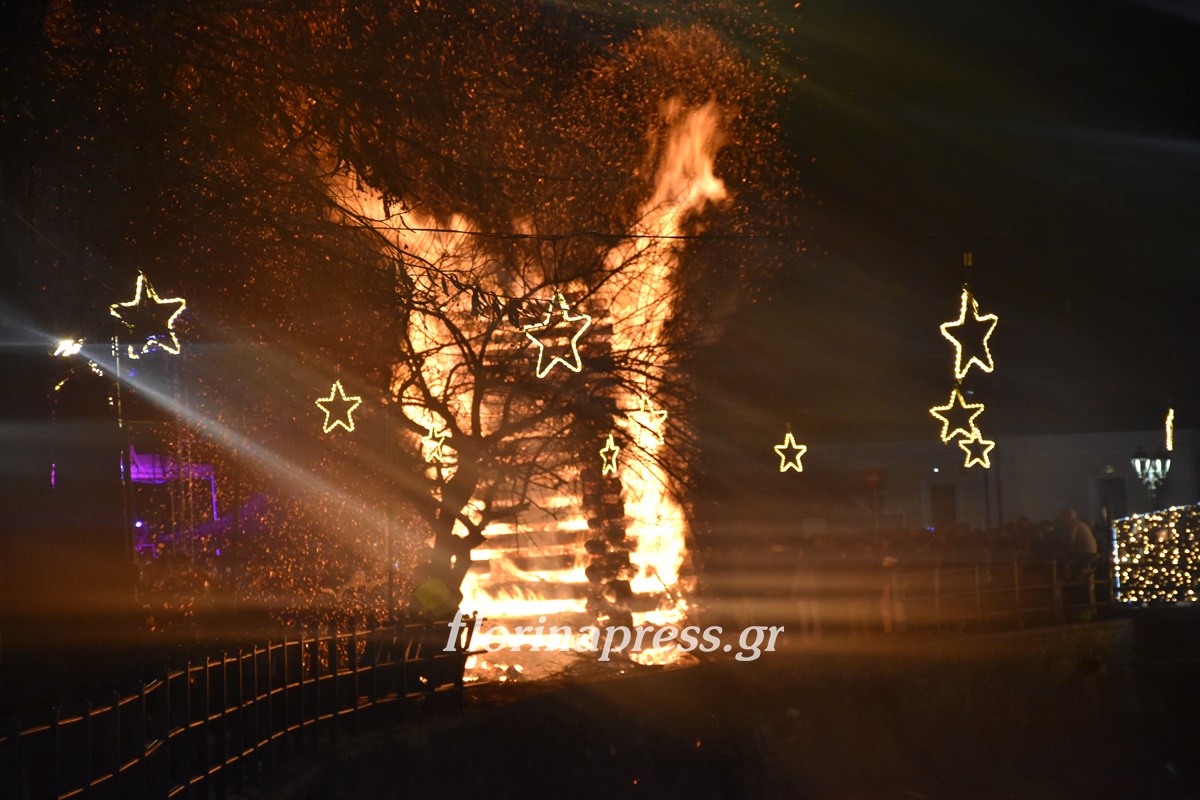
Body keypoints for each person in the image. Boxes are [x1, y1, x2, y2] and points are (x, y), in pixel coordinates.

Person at [1060, 508, 1098, 617]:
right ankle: (1090, 608)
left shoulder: (1073, 524)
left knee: (1075, 580)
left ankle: (1076, 607)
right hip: (1091, 555)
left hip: (1084, 555)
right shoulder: (1081, 524)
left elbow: (1071, 540)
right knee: (1087, 583)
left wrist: (1064, 551)